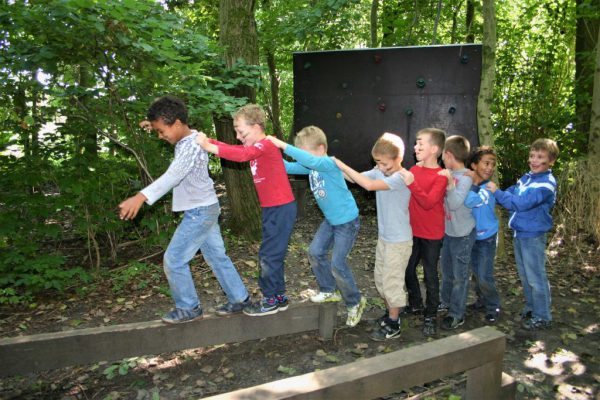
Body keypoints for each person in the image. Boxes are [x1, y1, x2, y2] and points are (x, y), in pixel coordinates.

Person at [118, 95, 250, 324]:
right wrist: (153, 123)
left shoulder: (190, 146)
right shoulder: (190, 137)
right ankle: (240, 298)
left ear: (177, 123)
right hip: (205, 207)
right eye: (157, 130)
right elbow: (176, 131)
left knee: (174, 259)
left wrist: (140, 197)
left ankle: (188, 308)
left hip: (200, 211)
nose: (161, 136)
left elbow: (174, 175)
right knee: (217, 257)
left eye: (162, 131)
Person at [195, 104, 297, 316]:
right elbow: (239, 151)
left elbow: (242, 155)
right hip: (272, 209)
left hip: (281, 208)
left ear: (257, 126)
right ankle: (279, 297)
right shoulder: (256, 147)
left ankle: (270, 300)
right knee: (272, 254)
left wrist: (208, 146)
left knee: (268, 256)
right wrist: (208, 141)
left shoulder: (266, 144)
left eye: (241, 131)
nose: (238, 136)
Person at [266, 126, 367, 327]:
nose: (302, 158)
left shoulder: (327, 163)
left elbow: (310, 160)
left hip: (346, 222)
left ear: (321, 149)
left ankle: (355, 301)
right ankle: (328, 290)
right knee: (314, 252)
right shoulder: (312, 167)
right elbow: (287, 167)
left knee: (338, 264)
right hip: (331, 220)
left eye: (304, 153)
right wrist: (269, 152)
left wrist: (281, 144)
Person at [334, 133, 413, 340]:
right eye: (377, 162)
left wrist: (341, 164)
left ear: (398, 158)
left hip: (400, 241)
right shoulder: (381, 172)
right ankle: (390, 314)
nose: (380, 166)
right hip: (385, 238)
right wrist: (331, 167)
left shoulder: (400, 178)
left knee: (391, 282)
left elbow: (368, 185)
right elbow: (355, 178)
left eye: (383, 162)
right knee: (380, 278)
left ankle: (394, 324)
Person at [487, 138, 559, 330]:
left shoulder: (546, 184)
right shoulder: (527, 178)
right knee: (525, 275)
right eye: (532, 156)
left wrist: (497, 193)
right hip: (520, 233)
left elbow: (521, 203)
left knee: (536, 276)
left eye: (540, 157)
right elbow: (513, 193)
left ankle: (542, 315)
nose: (534, 160)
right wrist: (499, 195)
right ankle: (531, 307)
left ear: (550, 161)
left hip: (533, 235)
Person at [403, 128, 448, 337]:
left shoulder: (441, 176)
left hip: (432, 234)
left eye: (420, 144)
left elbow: (429, 202)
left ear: (434, 149)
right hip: (413, 231)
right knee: (407, 269)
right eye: (415, 143)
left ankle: (430, 315)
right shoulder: (414, 169)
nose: (415, 147)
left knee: (430, 275)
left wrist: (412, 184)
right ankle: (415, 304)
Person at [437, 135, 476, 330]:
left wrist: (450, 183)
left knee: (460, 275)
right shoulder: (449, 173)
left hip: (463, 234)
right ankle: (445, 302)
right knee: (447, 271)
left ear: (449, 154)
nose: (441, 158)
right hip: (449, 233)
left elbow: (453, 204)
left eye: (443, 154)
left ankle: (457, 313)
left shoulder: (466, 178)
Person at [464, 146, 501, 324]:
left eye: (492, 164)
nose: (490, 168)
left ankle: (493, 306)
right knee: (476, 274)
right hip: (473, 235)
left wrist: (473, 184)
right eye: (486, 163)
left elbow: (470, 201)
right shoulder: (472, 185)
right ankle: (481, 300)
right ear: (474, 165)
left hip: (487, 237)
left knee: (484, 275)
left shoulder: (488, 188)